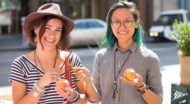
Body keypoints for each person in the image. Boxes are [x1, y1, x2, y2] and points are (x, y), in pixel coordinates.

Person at [9, 3, 99, 104]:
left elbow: (86, 100)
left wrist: (73, 96)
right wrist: (39, 85)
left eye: (58, 30)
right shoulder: (20, 64)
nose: (52, 35)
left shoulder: (71, 60)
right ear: (36, 29)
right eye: (47, 28)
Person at [92, 1, 163, 104]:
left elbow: (158, 101)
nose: (122, 27)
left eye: (127, 21)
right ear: (111, 25)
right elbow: (95, 98)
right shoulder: (100, 57)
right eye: (116, 22)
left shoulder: (151, 59)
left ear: (136, 23)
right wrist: (87, 84)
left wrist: (141, 87)